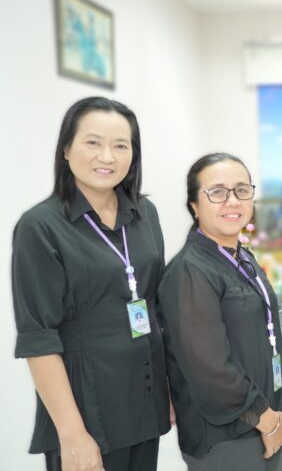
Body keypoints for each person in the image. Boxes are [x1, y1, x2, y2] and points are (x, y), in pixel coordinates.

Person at [11, 97, 170, 471]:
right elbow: (39, 338)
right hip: (88, 411)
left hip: (144, 400)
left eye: (121, 145)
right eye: (93, 142)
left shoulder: (144, 213)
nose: (107, 157)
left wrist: (169, 389)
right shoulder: (40, 226)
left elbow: (155, 307)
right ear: (66, 149)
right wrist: (72, 434)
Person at [159, 153, 282, 471]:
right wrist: (268, 422)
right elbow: (210, 370)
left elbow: (269, 332)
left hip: (265, 416)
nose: (233, 201)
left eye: (241, 190)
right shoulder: (189, 272)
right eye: (218, 192)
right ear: (194, 205)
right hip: (227, 436)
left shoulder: (242, 257)